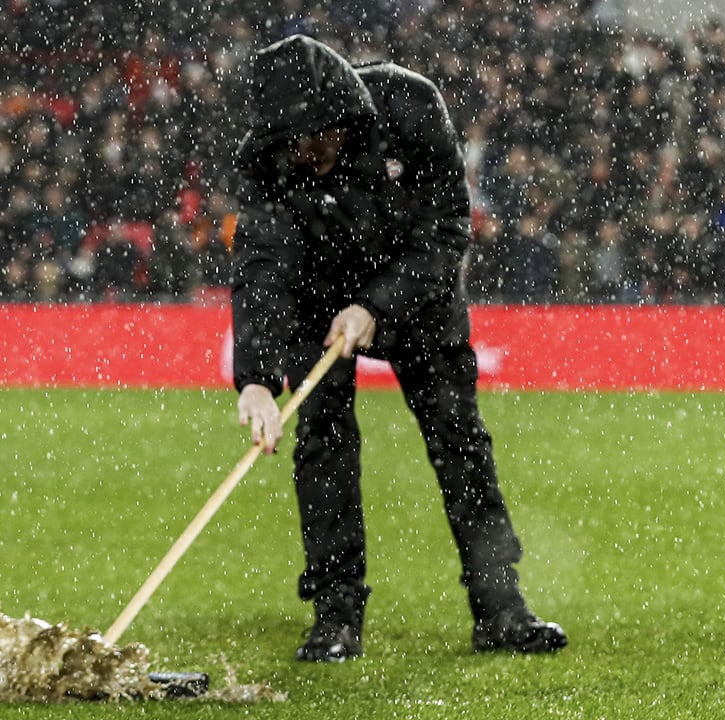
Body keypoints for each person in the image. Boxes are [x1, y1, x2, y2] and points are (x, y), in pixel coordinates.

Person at [230, 35, 567, 662]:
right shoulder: (266, 156)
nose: (307, 153)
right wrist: (253, 379)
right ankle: (335, 615)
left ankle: (500, 608)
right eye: (293, 143)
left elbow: (446, 232)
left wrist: (375, 306)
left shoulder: (411, 107)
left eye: (318, 137)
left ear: (344, 115)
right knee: (324, 441)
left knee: (458, 439)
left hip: (415, 293)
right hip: (314, 295)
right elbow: (260, 265)